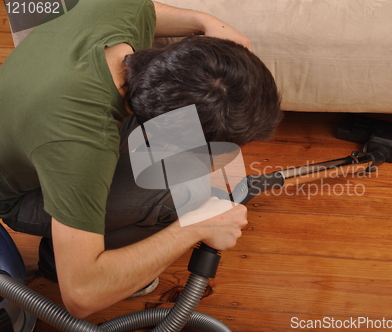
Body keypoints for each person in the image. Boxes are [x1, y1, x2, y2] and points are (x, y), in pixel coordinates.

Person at [0, 0, 282, 318]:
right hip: (17, 194)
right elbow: (81, 295)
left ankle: (77, 235)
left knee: (204, 168)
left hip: (39, 125)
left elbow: (147, 8)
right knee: (185, 189)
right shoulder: (80, 145)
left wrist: (204, 21)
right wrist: (196, 226)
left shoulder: (121, 8)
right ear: (168, 131)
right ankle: (69, 251)